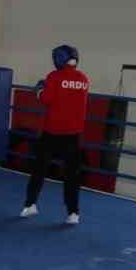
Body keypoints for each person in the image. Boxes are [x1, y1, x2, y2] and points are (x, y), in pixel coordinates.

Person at [21, 45, 89, 225]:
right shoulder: (83, 79)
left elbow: (46, 99)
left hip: (52, 133)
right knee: (72, 175)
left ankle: (30, 205)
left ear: (59, 58)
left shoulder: (55, 76)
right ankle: (73, 213)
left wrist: (39, 90)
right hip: (74, 135)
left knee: (39, 169)